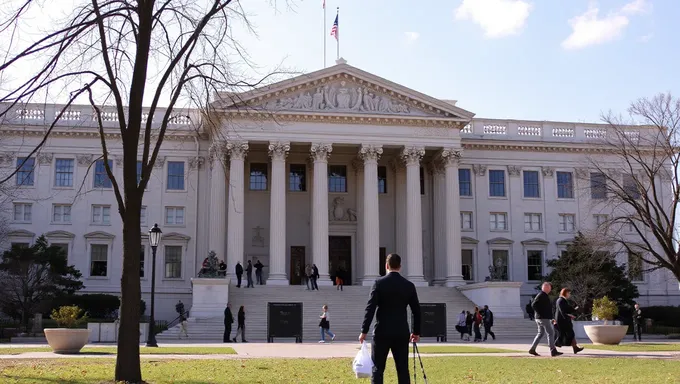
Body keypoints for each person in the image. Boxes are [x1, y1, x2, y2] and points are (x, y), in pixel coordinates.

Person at [359, 253, 421, 384]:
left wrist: (364, 330)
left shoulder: (378, 283)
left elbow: (370, 309)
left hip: (382, 331)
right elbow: (416, 311)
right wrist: (416, 332)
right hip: (401, 331)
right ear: (400, 267)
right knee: (403, 369)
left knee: (377, 369)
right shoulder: (408, 285)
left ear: (386, 266)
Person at [529, 282, 562, 357]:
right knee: (550, 333)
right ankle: (553, 350)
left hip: (541, 317)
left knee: (540, 333)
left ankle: (532, 349)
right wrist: (540, 313)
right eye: (550, 287)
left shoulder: (544, 295)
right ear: (546, 287)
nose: (550, 289)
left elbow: (546, 308)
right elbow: (533, 304)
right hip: (543, 318)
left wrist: (550, 317)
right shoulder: (541, 295)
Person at [555, 288, 583, 354]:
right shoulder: (560, 300)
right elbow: (562, 311)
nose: (569, 294)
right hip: (562, 320)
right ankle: (556, 343)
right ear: (565, 293)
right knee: (567, 334)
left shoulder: (563, 300)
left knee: (570, 333)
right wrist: (569, 316)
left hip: (564, 319)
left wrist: (575, 309)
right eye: (568, 293)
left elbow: (568, 309)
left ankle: (575, 348)